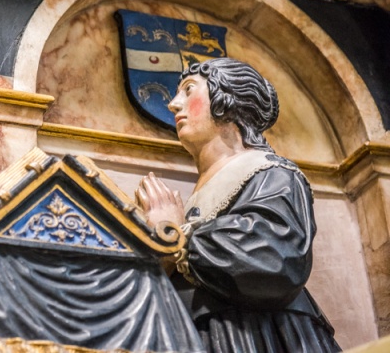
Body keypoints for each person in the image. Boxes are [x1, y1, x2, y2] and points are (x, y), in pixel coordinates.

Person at [135, 58, 340, 353]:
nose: (173, 104)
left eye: (189, 90)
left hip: (254, 333)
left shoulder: (271, 172)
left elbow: (275, 257)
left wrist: (179, 236)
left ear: (226, 99)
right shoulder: (204, 191)